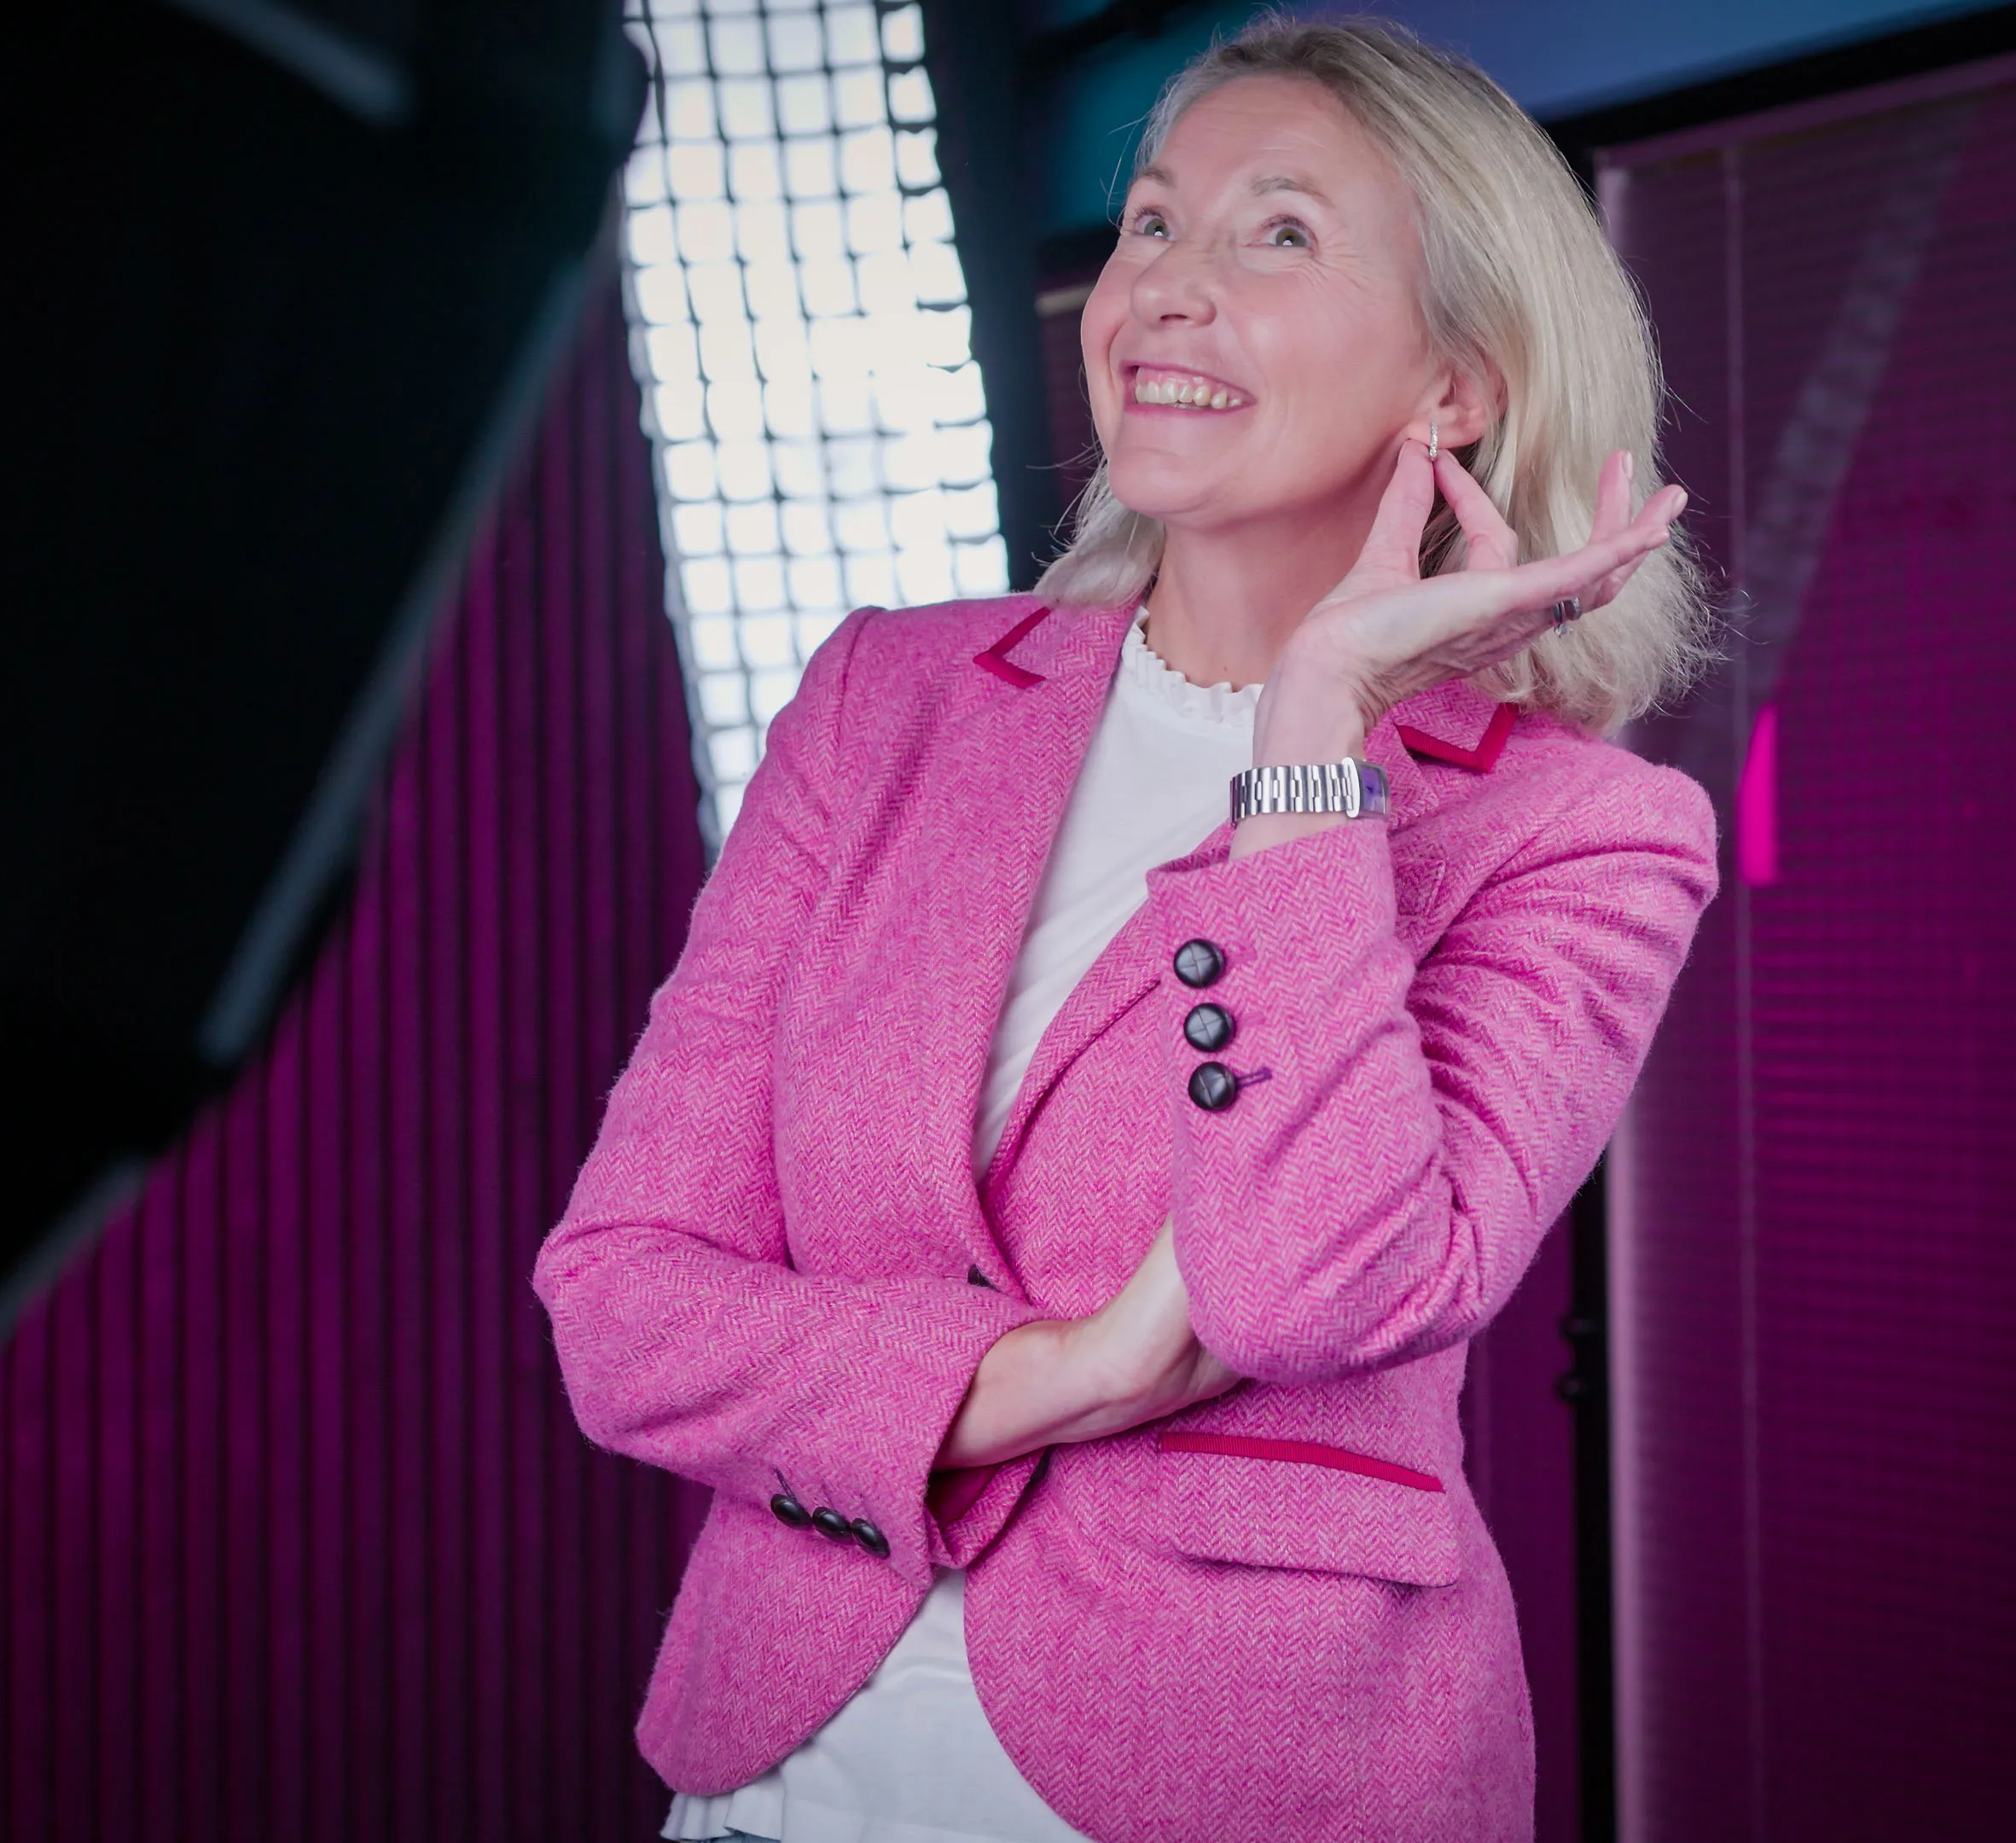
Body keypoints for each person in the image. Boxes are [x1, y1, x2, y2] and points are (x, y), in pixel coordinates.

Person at [534, 16, 1718, 1840]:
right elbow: (622, 1301)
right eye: (1153, 222)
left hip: (1250, 1784)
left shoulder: (1579, 835)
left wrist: (1317, 729)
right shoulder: (885, 703)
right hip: (780, 1773)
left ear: (1456, 387)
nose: (1164, 284)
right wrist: (1062, 1375)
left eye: (1279, 234)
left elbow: (1311, 1293)